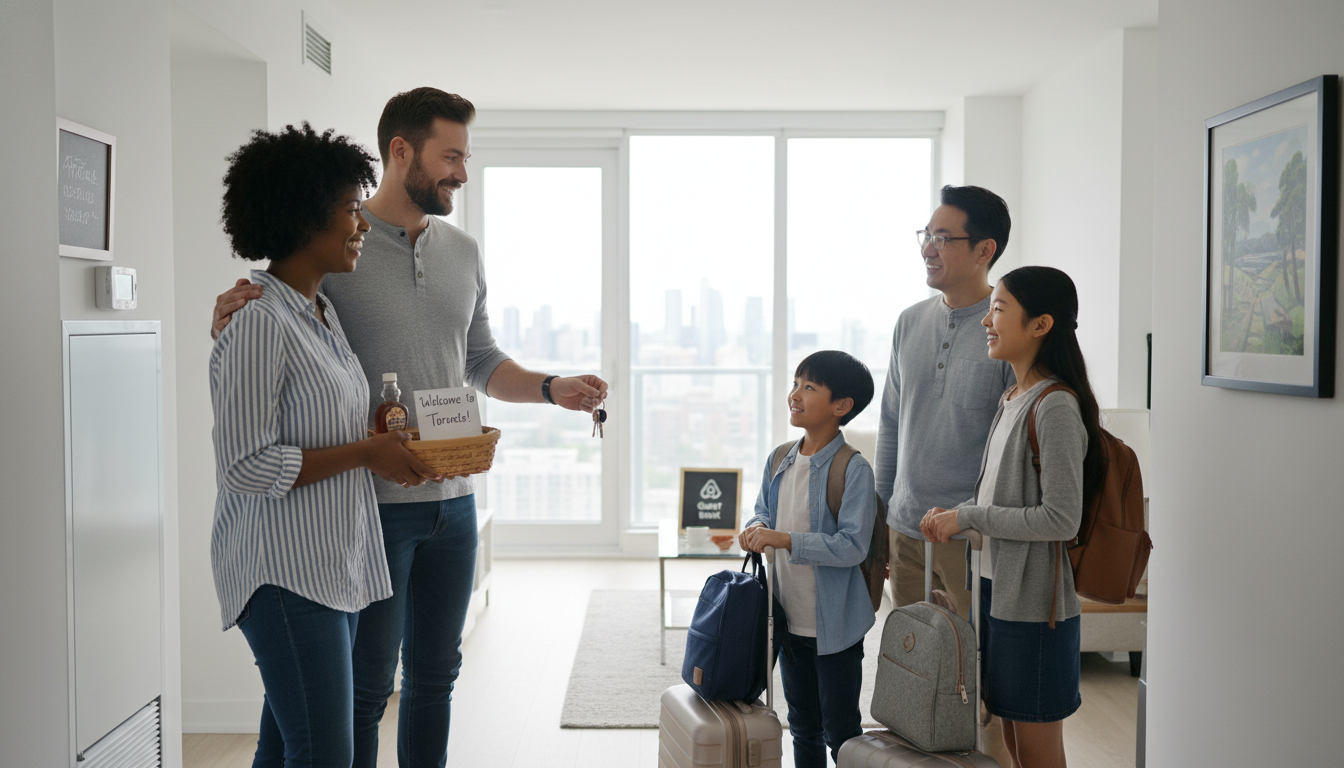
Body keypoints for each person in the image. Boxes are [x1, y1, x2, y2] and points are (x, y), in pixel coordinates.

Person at [211, 89, 609, 768]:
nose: (461, 171)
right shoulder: (336, 247)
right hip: (362, 513)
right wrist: (227, 315)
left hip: (450, 501)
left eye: (465, 156)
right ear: (402, 151)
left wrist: (550, 388)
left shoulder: (459, 251)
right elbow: (272, 326)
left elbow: (476, 359)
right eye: (450, 155)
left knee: (434, 679)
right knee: (360, 694)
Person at [210, 123, 443, 767]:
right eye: (348, 209)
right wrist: (370, 455)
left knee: (287, 746)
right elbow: (245, 465)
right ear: (303, 217)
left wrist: (376, 438)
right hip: (283, 575)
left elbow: (321, 422)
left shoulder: (319, 311)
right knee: (324, 754)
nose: (361, 223)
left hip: (329, 565)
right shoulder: (258, 319)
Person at [921, 266, 1099, 768]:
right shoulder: (1012, 398)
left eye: (999, 309)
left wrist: (969, 514)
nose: (987, 321)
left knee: (1038, 754)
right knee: (1018, 748)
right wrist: (957, 520)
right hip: (997, 598)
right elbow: (1008, 505)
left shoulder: (1055, 405)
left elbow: (1060, 520)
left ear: (1041, 324)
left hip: (1035, 610)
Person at [873, 184, 1015, 619]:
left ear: (984, 250)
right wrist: (880, 523)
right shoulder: (909, 321)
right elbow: (892, 424)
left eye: (943, 238)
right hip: (904, 530)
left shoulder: (1008, 329)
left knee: (975, 668)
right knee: (912, 664)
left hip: (971, 537)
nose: (928, 250)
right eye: (926, 236)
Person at [739, 350, 877, 768]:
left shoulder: (853, 469)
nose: (795, 394)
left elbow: (853, 546)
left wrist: (783, 539)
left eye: (809, 387)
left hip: (835, 629)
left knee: (842, 732)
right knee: (801, 725)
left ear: (841, 406)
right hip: (787, 620)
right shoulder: (780, 457)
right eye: (796, 383)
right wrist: (756, 528)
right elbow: (763, 509)